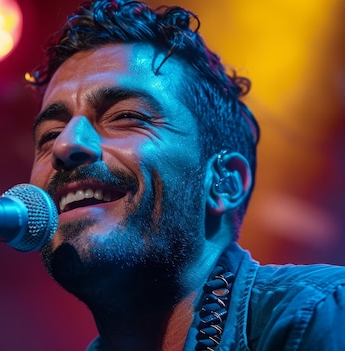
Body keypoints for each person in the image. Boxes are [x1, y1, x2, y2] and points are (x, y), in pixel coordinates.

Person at [24, 1, 345, 350]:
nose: (66, 144)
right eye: (50, 135)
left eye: (125, 116)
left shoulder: (320, 312)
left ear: (225, 182)